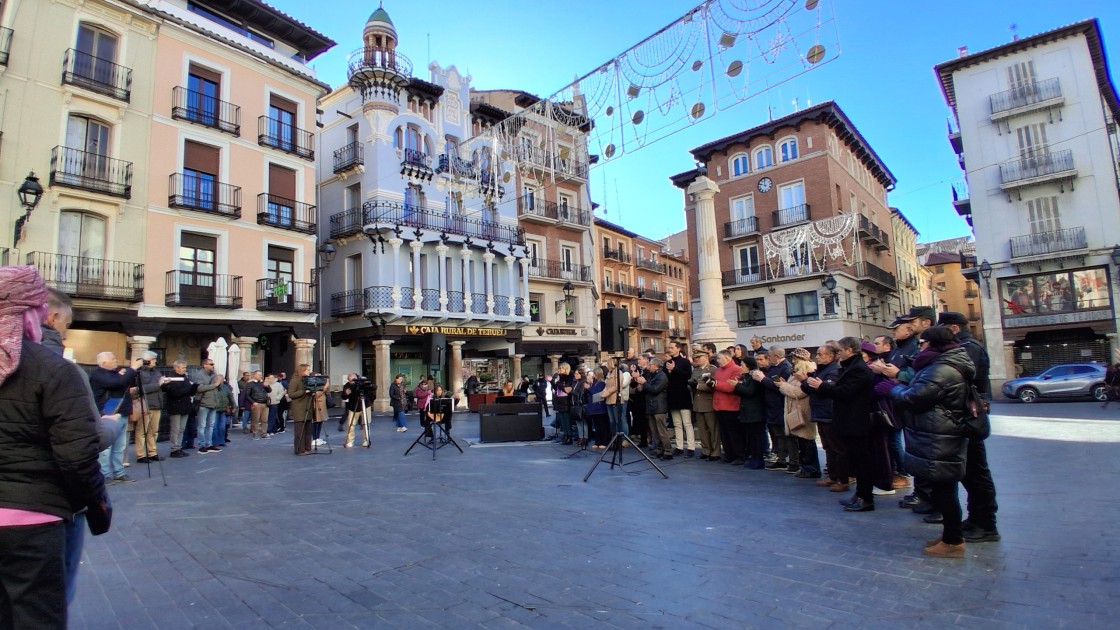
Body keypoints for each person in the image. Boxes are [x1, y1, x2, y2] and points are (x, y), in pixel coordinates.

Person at [0, 266, 110, 628]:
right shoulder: (54, 370)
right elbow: (76, 456)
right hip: (31, 521)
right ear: (34, 312)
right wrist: (96, 507)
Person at [885, 326, 974, 558]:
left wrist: (895, 389)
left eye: (923, 343)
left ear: (934, 344)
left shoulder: (941, 369)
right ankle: (950, 536)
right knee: (943, 487)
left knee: (945, 488)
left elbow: (915, 397)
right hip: (938, 431)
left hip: (941, 433)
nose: (920, 347)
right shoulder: (942, 365)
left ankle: (953, 541)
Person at [937, 311, 1000, 544]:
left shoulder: (967, 348)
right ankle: (976, 519)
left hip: (969, 417)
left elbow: (960, 381)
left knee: (977, 472)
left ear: (952, 328)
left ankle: (986, 524)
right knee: (971, 474)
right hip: (965, 416)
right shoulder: (964, 346)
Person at [806, 337, 877, 512]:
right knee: (857, 461)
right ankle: (860, 495)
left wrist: (821, 386)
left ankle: (865, 498)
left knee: (862, 462)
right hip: (850, 421)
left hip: (856, 422)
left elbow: (844, 392)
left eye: (840, 351)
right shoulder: (851, 367)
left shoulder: (858, 370)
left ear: (850, 351)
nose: (839, 354)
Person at [89, 351, 139, 483]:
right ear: (105, 363)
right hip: (107, 414)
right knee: (106, 447)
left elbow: (129, 383)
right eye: (113, 359)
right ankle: (105, 474)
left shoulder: (115, 374)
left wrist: (130, 373)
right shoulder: (98, 375)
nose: (116, 360)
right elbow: (116, 383)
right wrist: (132, 369)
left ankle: (119, 472)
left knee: (120, 446)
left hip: (121, 412)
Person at [802, 343, 846, 490]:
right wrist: (812, 383)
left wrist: (818, 385)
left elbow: (826, 388)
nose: (817, 357)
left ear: (830, 356)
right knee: (828, 446)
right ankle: (832, 476)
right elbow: (808, 386)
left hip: (829, 412)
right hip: (820, 412)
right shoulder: (821, 370)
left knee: (837, 447)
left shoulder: (834, 370)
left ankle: (842, 479)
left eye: (820, 354)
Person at [779, 348, 820, 479]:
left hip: (803, 410)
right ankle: (806, 467)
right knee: (802, 442)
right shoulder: (795, 373)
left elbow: (799, 392)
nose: (793, 361)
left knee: (807, 441)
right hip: (796, 410)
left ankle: (811, 469)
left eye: (795, 359)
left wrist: (783, 386)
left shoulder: (807, 373)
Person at [754, 346, 795, 472]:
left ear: (776, 356)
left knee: (785, 435)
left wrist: (762, 379)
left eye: (769, 357)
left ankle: (789, 460)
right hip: (771, 405)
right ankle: (781, 459)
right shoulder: (773, 367)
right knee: (778, 435)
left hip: (780, 404)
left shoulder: (785, 368)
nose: (768, 359)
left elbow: (778, 386)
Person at [636, 356, 672, 460]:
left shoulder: (662, 376)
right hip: (651, 406)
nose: (649, 366)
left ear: (656, 366)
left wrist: (644, 383)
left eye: (650, 364)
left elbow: (655, 389)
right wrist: (642, 387)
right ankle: (659, 449)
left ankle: (668, 451)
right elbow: (649, 388)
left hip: (659, 406)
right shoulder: (653, 375)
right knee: (655, 431)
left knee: (662, 431)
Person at [709, 351, 742, 463]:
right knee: (724, 433)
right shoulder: (718, 370)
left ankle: (739, 455)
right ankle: (729, 454)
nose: (717, 361)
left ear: (727, 358)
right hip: (719, 405)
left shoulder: (736, 369)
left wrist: (716, 384)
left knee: (734, 433)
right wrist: (711, 383)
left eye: (719, 358)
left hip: (731, 405)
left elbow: (731, 387)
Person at [663, 341, 695, 457]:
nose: (670, 349)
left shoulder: (685, 362)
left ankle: (691, 447)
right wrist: (669, 371)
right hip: (672, 395)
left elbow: (687, 375)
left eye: (672, 347)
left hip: (683, 394)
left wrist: (675, 369)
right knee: (677, 423)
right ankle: (679, 446)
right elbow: (665, 377)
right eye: (669, 347)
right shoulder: (666, 362)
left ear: (678, 349)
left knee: (687, 423)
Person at [161, 361, 199, 458]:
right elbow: (174, 393)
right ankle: (174, 448)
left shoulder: (185, 378)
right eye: (182, 367)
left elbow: (190, 392)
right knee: (175, 429)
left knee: (181, 429)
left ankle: (179, 446)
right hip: (175, 406)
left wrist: (194, 388)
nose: (184, 369)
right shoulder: (171, 378)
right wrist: (189, 389)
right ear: (176, 368)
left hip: (185, 406)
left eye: (185, 367)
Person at [689, 349, 720, 461]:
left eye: (699, 357)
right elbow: (691, 382)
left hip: (708, 402)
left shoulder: (712, 369)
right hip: (698, 403)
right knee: (702, 429)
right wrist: (691, 385)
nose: (696, 360)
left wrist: (697, 386)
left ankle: (715, 452)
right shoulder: (696, 370)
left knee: (713, 429)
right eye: (695, 358)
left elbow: (713, 385)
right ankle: (706, 450)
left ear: (706, 357)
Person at [135, 352, 165, 462]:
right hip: (145, 404)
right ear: (146, 360)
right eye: (153, 359)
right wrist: (158, 384)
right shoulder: (139, 372)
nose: (155, 361)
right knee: (142, 431)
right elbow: (141, 389)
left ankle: (152, 452)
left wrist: (165, 382)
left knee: (154, 431)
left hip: (156, 404)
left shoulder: (156, 371)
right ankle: (140, 454)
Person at [193, 358, 224, 454]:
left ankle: (209, 444)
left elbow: (219, 388)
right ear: (204, 365)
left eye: (213, 364)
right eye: (210, 364)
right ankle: (201, 445)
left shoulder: (214, 375)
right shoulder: (199, 375)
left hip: (213, 403)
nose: (212, 366)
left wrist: (220, 382)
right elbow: (199, 388)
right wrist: (214, 385)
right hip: (203, 403)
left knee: (210, 425)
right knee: (202, 426)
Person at [601, 359, 631, 444]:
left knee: (619, 420)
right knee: (612, 421)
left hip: (615, 399)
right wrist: (603, 393)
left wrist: (607, 392)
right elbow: (606, 385)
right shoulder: (608, 373)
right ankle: (614, 438)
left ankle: (623, 439)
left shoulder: (619, 373)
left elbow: (617, 386)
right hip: (608, 399)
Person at [288, 364, 314, 455]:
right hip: (299, 408)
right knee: (300, 431)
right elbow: (291, 394)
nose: (309, 372)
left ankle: (307, 448)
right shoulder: (295, 380)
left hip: (307, 407)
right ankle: (299, 449)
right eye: (307, 370)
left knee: (308, 430)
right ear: (302, 370)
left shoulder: (307, 380)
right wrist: (303, 391)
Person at [245, 370, 272, 439]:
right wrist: (253, 402)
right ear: (255, 375)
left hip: (265, 403)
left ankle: (264, 433)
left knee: (264, 420)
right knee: (255, 420)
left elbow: (269, 391)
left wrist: (267, 386)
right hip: (256, 403)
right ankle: (255, 433)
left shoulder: (263, 383)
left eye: (261, 375)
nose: (260, 376)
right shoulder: (250, 384)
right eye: (259, 375)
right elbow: (247, 395)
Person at [552, 364, 575, 444]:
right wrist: (553, 382)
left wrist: (558, 383)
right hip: (559, 398)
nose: (560, 369)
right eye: (559, 368)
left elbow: (566, 389)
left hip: (566, 399)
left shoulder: (570, 376)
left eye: (562, 368)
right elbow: (557, 388)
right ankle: (565, 435)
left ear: (566, 369)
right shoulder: (559, 376)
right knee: (562, 418)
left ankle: (569, 436)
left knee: (567, 418)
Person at [569, 368, 590, 447]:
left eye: (577, 374)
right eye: (575, 373)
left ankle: (585, 437)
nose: (576, 375)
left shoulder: (583, 382)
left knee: (583, 421)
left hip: (581, 404)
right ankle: (581, 437)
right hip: (575, 404)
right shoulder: (575, 382)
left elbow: (580, 394)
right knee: (578, 421)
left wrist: (571, 391)